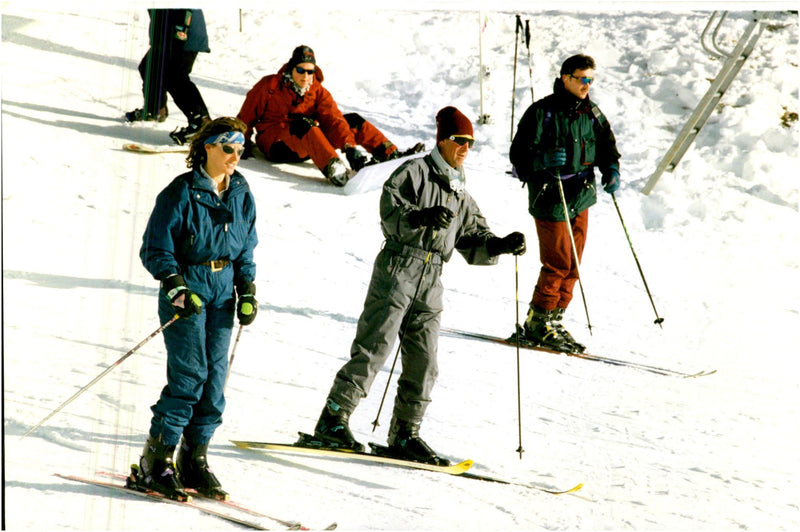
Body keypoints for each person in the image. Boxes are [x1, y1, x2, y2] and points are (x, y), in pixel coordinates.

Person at [310, 106, 526, 465]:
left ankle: (406, 432)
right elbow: (390, 209)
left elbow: (473, 234)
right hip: (399, 266)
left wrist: (499, 244)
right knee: (375, 347)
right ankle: (333, 418)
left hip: (432, 278)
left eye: (469, 143)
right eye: (459, 141)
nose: (464, 148)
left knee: (424, 361)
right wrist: (419, 217)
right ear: (442, 139)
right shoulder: (414, 171)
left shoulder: (460, 189)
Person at [131, 117, 258, 501]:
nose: (234, 156)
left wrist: (247, 288)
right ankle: (157, 462)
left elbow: (246, 245)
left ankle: (194, 459)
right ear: (206, 147)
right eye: (227, 149)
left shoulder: (240, 190)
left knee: (214, 383)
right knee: (189, 378)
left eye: (240, 150)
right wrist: (176, 286)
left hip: (222, 294)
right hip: (189, 292)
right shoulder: (181, 192)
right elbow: (156, 248)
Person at [509, 54, 620, 353]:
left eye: (591, 79)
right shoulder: (540, 112)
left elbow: (607, 147)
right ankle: (537, 321)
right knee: (557, 262)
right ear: (565, 78)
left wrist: (611, 170)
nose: (587, 85)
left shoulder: (592, 112)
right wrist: (541, 160)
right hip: (550, 193)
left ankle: (554, 319)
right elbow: (518, 156)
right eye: (583, 78)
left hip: (580, 193)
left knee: (573, 264)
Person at [237, 45, 424, 187]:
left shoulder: (317, 91)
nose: (305, 76)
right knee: (304, 123)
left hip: (309, 141)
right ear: (291, 69)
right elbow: (246, 114)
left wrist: (349, 147)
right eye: (300, 70)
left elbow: (334, 119)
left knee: (351, 120)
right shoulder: (270, 85)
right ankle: (334, 168)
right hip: (276, 145)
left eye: (309, 71)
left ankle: (389, 154)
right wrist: (241, 143)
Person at [125, 9, 212, 146]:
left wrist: (178, 35)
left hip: (182, 33)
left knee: (175, 77)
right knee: (149, 68)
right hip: (167, 33)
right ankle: (155, 109)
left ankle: (201, 123)